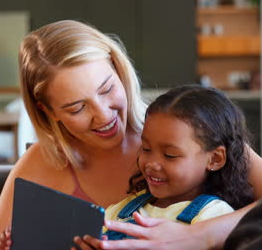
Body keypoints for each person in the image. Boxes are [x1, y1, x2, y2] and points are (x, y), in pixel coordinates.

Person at [0, 20, 262, 250]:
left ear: (118, 68)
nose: (103, 115)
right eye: (77, 108)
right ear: (48, 111)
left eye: (106, 90)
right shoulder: (40, 164)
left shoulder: (186, 130)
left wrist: (199, 237)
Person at [102, 84, 253, 241]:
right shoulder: (120, 211)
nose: (152, 163)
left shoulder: (214, 216)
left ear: (215, 159)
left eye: (170, 155)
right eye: (146, 149)